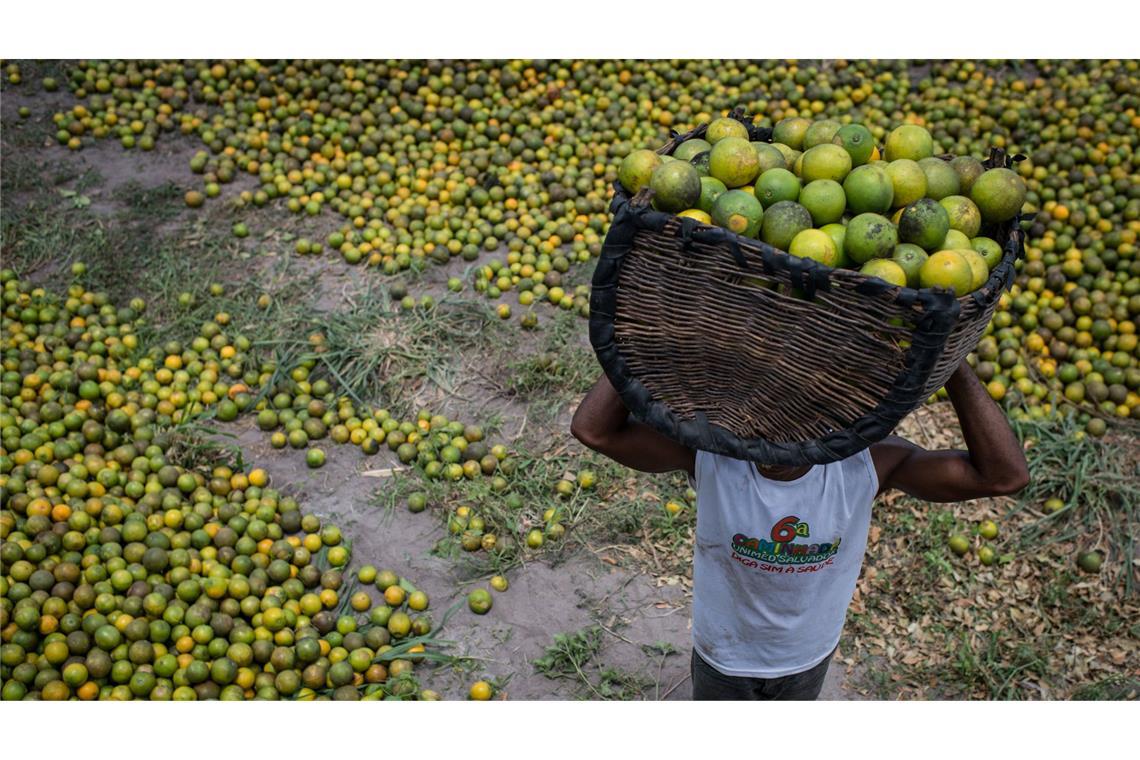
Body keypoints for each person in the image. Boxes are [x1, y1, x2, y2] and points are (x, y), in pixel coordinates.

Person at [570, 360, 1029, 700]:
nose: (777, 442)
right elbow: (595, 431)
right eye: (765, 424)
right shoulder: (712, 455)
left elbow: (1002, 476)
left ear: (835, 425)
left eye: (798, 427)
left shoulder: (866, 465)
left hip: (807, 658)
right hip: (722, 655)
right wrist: (643, 345)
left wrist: (952, 364)